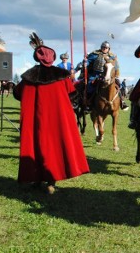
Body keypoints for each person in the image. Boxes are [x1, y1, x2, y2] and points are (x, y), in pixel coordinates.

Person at [13, 33, 89, 194]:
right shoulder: (61, 77)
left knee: (36, 146)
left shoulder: (28, 77)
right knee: (54, 147)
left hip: (36, 121)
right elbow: (72, 93)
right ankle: (50, 180)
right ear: (53, 57)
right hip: (56, 120)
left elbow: (17, 93)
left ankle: (38, 178)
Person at [78, 41, 128, 110]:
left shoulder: (112, 56)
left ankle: (122, 101)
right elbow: (89, 61)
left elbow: (116, 66)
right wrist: (86, 63)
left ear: (108, 49)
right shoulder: (95, 54)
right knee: (89, 85)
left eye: (106, 48)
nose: (104, 49)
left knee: (119, 85)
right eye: (103, 47)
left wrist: (117, 74)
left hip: (108, 75)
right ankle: (89, 103)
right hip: (95, 74)